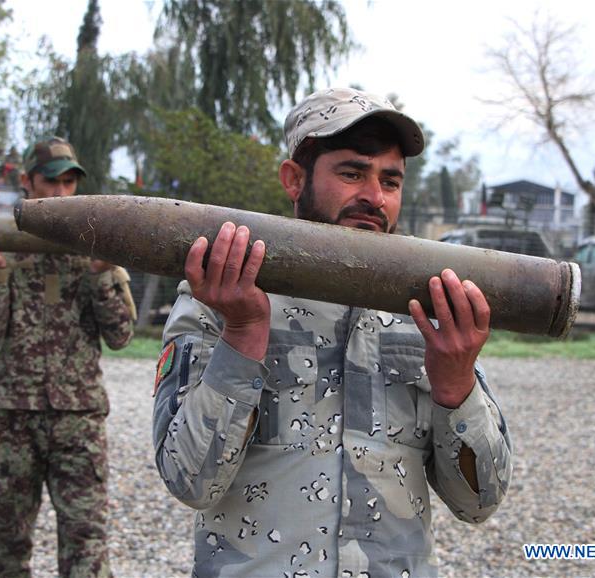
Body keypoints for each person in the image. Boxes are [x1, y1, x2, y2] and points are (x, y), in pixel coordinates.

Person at [152, 87, 513, 577]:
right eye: (351, 172)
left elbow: (479, 503)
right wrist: (243, 333)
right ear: (294, 179)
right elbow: (188, 480)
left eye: (390, 180)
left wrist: (456, 384)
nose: (374, 196)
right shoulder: (220, 293)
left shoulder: (428, 309)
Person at [0, 136, 136, 577]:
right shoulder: (0, 245)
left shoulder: (98, 249)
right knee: (7, 538)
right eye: (51, 182)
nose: (61, 193)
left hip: (78, 419)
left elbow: (120, 336)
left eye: (69, 183)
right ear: (27, 183)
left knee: (85, 538)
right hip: (10, 417)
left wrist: (100, 276)